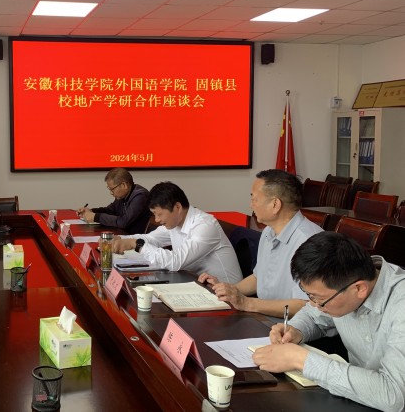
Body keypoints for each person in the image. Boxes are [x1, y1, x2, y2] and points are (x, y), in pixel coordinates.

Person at [253, 232, 405, 411]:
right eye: (310, 296)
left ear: (359, 289)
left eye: (319, 299)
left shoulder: (400, 305)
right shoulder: (344, 281)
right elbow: (312, 315)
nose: (314, 304)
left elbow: (394, 397)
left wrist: (301, 360)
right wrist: (295, 330)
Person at [198, 169, 323, 317]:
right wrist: (228, 290)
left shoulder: (310, 241)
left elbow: (307, 306)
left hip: (291, 325)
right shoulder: (268, 231)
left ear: (275, 204)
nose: (251, 205)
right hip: (265, 317)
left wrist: (247, 303)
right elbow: (258, 278)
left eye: (254, 199)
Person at [112, 181, 242, 283]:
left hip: (227, 294)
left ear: (177, 207)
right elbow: (152, 239)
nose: (156, 220)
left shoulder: (205, 226)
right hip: (197, 284)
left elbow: (175, 262)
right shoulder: (175, 222)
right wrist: (120, 239)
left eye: (159, 214)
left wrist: (136, 244)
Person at [77, 168, 151, 234]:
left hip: (136, 239)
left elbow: (123, 222)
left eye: (112, 189)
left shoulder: (140, 196)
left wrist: (96, 217)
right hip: (123, 235)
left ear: (124, 185)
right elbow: (109, 211)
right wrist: (91, 211)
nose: (111, 193)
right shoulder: (122, 196)